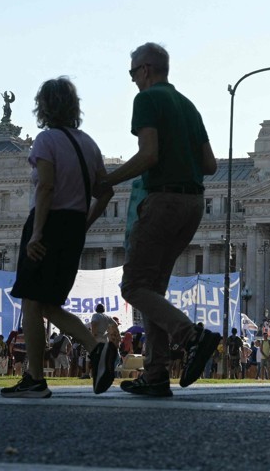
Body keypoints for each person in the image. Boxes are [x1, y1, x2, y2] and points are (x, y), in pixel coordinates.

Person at [95, 43, 221, 397]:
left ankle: (191, 336)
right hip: (193, 203)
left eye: (133, 73)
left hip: (162, 199)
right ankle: (155, 373)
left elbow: (148, 154)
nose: (133, 80)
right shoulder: (188, 105)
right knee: (152, 289)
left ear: (146, 70)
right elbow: (209, 165)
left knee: (134, 286)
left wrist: (107, 180)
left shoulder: (147, 100)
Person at [1, 77, 118, 399]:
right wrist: (84, 223)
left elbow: (46, 187)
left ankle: (36, 377)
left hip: (49, 222)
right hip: (73, 226)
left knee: (31, 300)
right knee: (48, 304)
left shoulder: (46, 140)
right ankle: (97, 350)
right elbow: (105, 191)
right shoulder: (88, 143)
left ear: (44, 107)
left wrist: (37, 232)